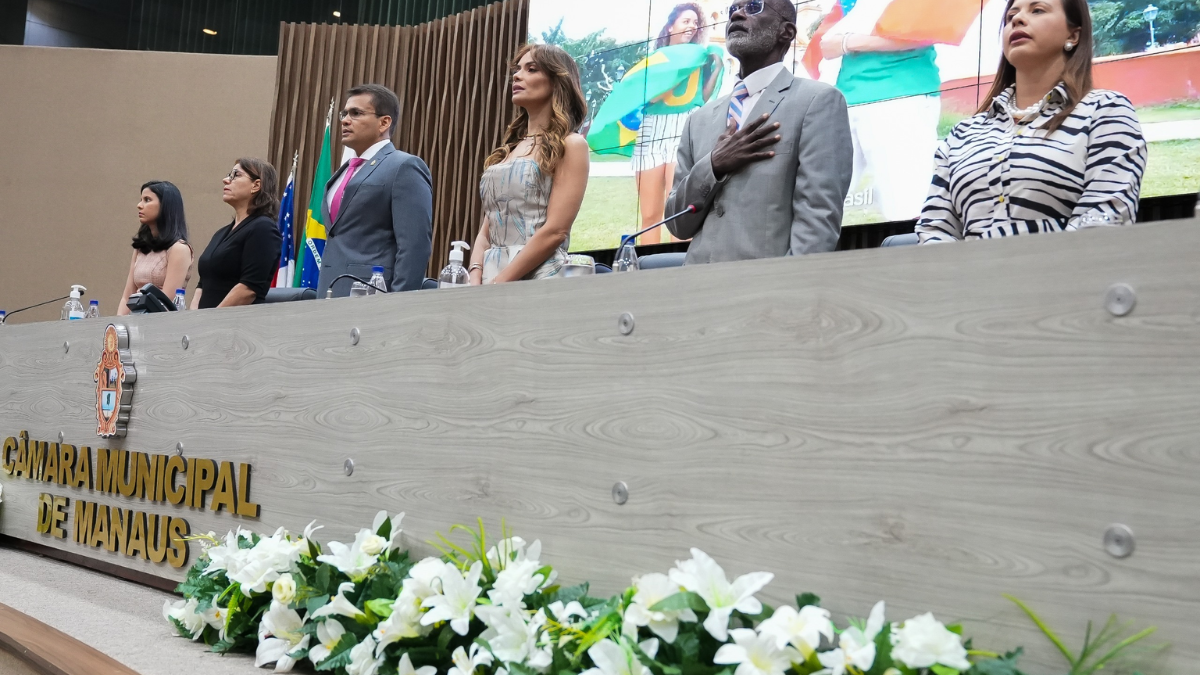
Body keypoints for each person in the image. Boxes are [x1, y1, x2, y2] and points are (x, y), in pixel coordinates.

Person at [917, 0, 1146, 242]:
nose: (1017, 20)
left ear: (1073, 35)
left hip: (1065, 265)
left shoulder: (1105, 111)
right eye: (1010, 17)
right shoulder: (963, 134)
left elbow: (1105, 218)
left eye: (1037, 10)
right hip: (968, 268)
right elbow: (934, 229)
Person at [667, 0, 853, 264]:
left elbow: (818, 220)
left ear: (786, 32)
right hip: (697, 284)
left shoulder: (817, 101)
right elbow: (677, 224)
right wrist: (713, 165)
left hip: (768, 285)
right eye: (733, 10)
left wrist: (783, 286)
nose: (737, 15)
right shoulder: (698, 120)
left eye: (754, 6)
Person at [468, 44, 589, 284]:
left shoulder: (571, 144)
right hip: (490, 278)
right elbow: (486, 231)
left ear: (557, 81)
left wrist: (500, 283)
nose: (517, 75)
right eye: (518, 69)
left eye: (531, 69)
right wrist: (475, 275)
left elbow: (556, 231)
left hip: (539, 278)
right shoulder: (507, 150)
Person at [818, 0, 944, 222]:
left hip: (900, 95)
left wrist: (847, 42)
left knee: (906, 209)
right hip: (846, 95)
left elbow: (927, 30)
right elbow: (827, 45)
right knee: (816, 206)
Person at [316, 84, 433, 297]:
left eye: (356, 113)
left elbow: (414, 246)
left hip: (373, 296)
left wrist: (397, 302)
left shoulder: (404, 166)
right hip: (329, 294)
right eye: (344, 113)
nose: (345, 120)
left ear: (384, 122)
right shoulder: (342, 173)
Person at [634, 3, 723, 244]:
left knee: (680, 212)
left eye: (695, 22)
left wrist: (716, 66)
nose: (692, 26)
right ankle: (647, 261)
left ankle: (678, 263)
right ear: (670, 27)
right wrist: (681, 67)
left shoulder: (699, 58)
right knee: (650, 214)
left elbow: (701, 97)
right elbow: (652, 97)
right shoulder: (656, 59)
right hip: (652, 130)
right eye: (686, 21)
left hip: (684, 128)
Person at [193, 159, 283, 309]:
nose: (225, 180)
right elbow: (202, 284)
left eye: (236, 175)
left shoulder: (263, 229)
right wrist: (193, 317)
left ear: (256, 185)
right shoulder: (220, 233)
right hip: (204, 320)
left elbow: (248, 289)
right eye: (229, 175)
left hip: (235, 321)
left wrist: (212, 318)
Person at [116, 181, 193, 315]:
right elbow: (127, 297)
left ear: (165, 206)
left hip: (159, 321)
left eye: (147, 200)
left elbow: (166, 301)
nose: (139, 205)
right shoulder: (140, 248)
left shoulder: (179, 249)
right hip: (135, 318)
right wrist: (118, 324)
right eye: (141, 200)